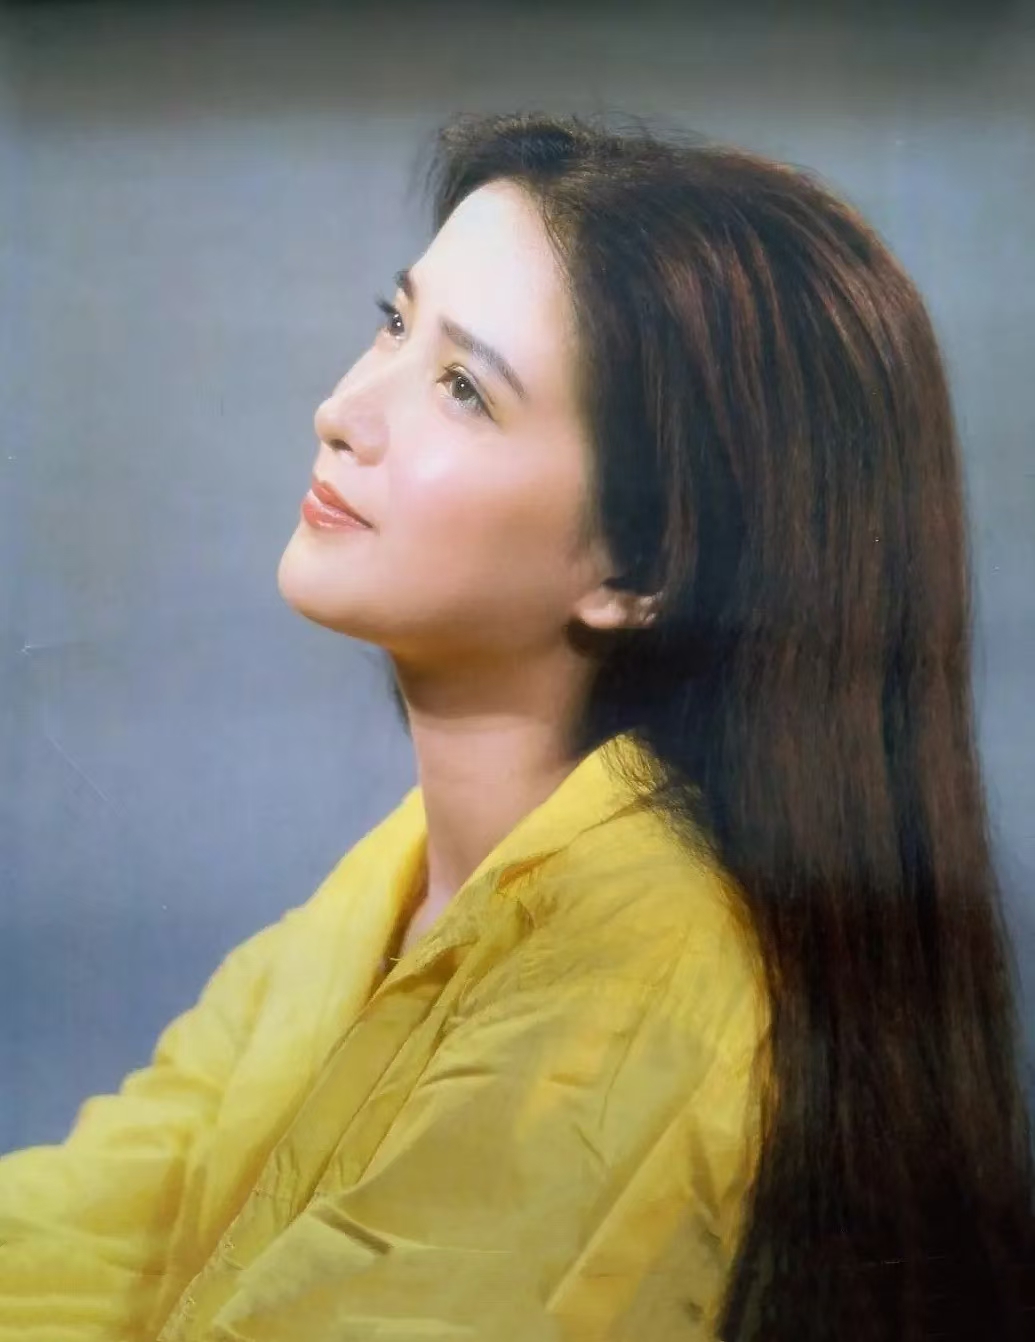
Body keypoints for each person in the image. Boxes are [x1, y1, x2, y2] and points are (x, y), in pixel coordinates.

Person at [1, 110, 1032, 1341]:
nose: (343, 408)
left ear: (639, 565)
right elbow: (88, 1240)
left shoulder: (633, 989)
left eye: (462, 388)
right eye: (394, 323)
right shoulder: (388, 887)